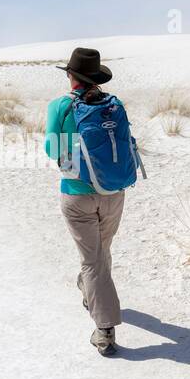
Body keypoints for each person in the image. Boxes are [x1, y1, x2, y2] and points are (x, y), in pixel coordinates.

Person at [43, 47, 128, 355]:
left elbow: (53, 151)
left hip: (77, 195)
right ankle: (89, 288)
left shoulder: (61, 107)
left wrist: (73, 151)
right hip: (113, 192)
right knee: (100, 251)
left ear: (71, 76)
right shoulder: (113, 105)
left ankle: (104, 330)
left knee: (91, 259)